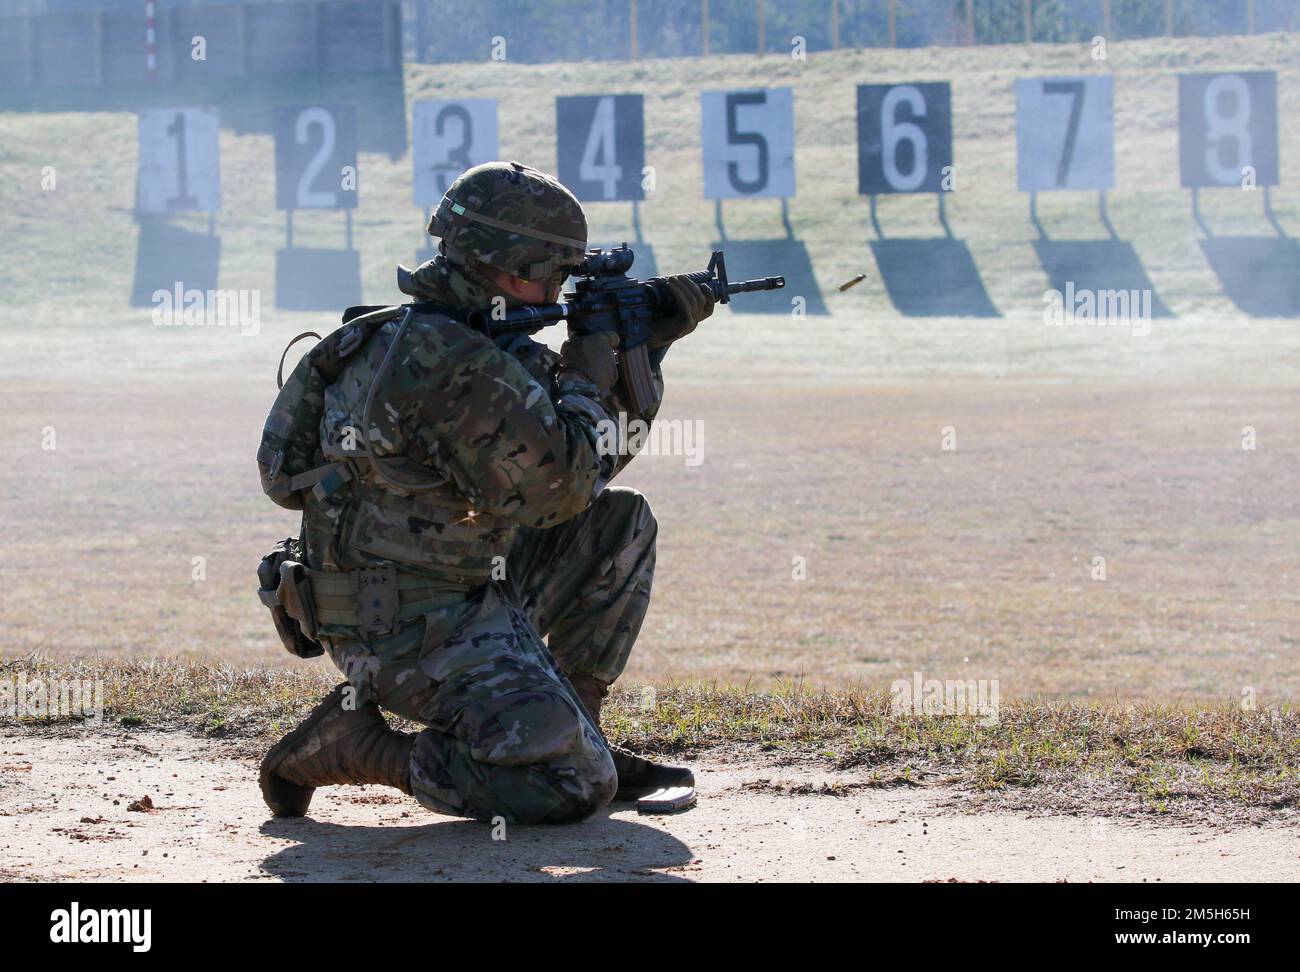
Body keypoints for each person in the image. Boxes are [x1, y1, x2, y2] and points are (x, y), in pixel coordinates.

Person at [259, 160, 714, 824]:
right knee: (572, 786)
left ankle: (578, 725)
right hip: (401, 629)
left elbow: (588, 478)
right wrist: (588, 377)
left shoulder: (456, 340)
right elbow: (558, 489)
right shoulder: (451, 364)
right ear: (502, 264)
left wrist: (642, 352)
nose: (557, 288)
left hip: (457, 587)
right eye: (548, 273)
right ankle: (356, 746)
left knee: (619, 523)